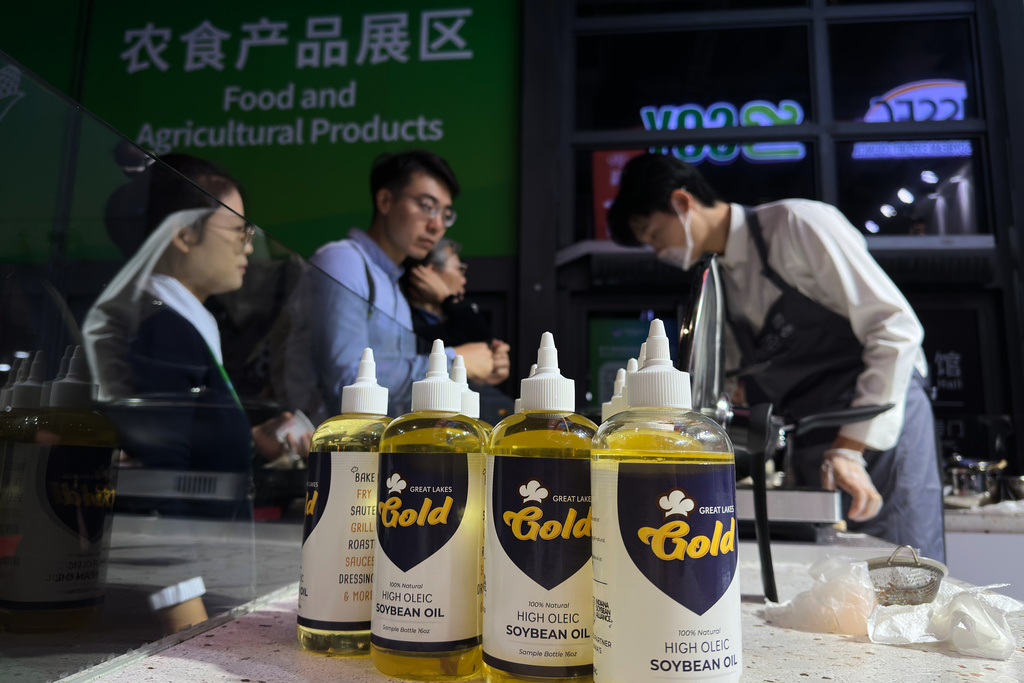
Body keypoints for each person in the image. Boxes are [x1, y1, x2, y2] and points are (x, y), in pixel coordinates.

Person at [607, 152, 945, 561]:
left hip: (879, 422)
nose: (658, 250)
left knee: (900, 566)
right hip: (812, 435)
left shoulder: (796, 224)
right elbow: (729, 386)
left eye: (654, 234)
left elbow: (895, 328)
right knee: (831, 578)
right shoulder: (719, 282)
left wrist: (850, 447)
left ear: (682, 203)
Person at [83, 154, 308, 476]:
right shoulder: (161, 330)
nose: (247, 247)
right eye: (237, 230)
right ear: (184, 234)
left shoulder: (172, 321)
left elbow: (183, 446)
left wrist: (252, 443)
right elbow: (161, 475)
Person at [306, 149, 509, 417]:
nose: (437, 225)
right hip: (331, 437)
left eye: (446, 213)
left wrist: (469, 367)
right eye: (427, 206)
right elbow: (346, 379)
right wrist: (452, 363)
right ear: (385, 201)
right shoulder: (344, 260)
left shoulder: (393, 284)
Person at [401, 238, 514, 422]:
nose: (463, 279)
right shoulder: (404, 321)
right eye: (459, 269)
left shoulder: (449, 318)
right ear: (429, 273)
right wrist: (448, 297)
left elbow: (482, 343)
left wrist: (494, 362)